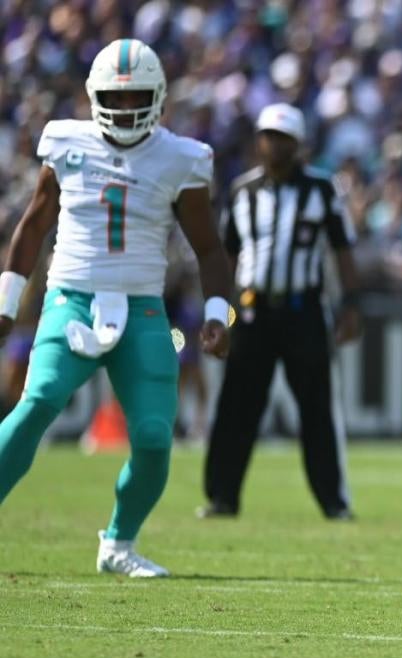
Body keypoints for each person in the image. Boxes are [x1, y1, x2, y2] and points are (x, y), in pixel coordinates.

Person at [0, 39, 232, 577]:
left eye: (137, 99)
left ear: (159, 98)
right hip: (71, 299)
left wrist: (220, 313)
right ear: (93, 96)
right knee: (36, 403)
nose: (126, 109)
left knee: (153, 437)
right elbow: (33, 225)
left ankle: (118, 544)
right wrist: (9, 302)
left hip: (144, 309)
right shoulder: (64, 141)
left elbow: (209, 248)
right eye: (114, 98)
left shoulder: (182, 157)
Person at [199, 103, 363, 521]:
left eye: (284, 138)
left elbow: (344, 250)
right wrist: (221, 313)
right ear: (259, 139)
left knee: (317, 409)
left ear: (298, 143)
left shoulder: (323, 190)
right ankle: (222, 496)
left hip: (303, 309)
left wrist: (350, 305)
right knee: (237, 406)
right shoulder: (242, 191)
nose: (275, 145)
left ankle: (334, 501)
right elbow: (226, 257)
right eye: (269, 136)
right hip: (252, 312)